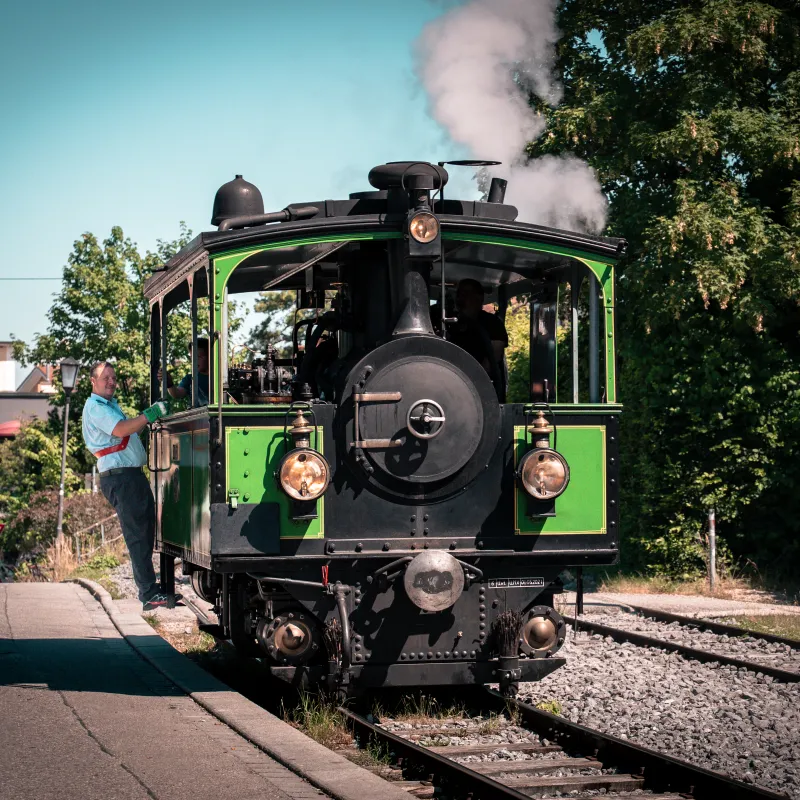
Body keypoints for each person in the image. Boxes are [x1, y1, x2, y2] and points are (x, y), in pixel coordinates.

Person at [81, 361, 174, 610]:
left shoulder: (107, 405)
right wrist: (148, 415)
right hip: (121, 478)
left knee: (144, 532)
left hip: (128, 476)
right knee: (137, 535)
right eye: (105, 378)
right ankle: (148, 593)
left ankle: (152, 590)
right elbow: (121, 430)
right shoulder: (96, 407)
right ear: (93, 381)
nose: (111, 381)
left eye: (113, 377)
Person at [449, 279, 509, 398]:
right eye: (458, 294)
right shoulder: (451, 324)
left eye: (465, 294)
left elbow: (494, 357)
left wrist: (470, 382)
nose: (460, 298)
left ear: (479, 297)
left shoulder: (493, 324)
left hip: (483, 389)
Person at [161, 337, 210, 406]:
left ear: (210, 356)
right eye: (192, 357)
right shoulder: (189, 379)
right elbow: (177, 394)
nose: (194, 360)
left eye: (199, 357)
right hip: (197, 416)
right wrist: (170, 384)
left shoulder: (219, 378)